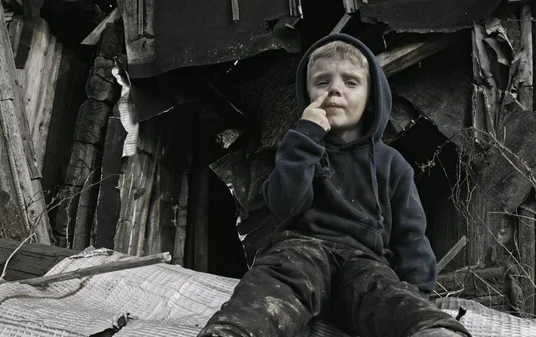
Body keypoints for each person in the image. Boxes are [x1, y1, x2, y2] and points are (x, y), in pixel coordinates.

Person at [198, 33, 471, 337]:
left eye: (351, 82)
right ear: (307, 95)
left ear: (372, 99)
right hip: (302, 251)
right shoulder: (298, 148)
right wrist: (303, 138)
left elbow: (411, 236)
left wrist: (418, 295)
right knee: (273, 284)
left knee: (389, 295)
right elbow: (284, 203)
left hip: (365, 262)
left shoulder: (392, 163)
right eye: (322, 82)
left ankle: (433, 332)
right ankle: (233, 332)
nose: (335, 90)